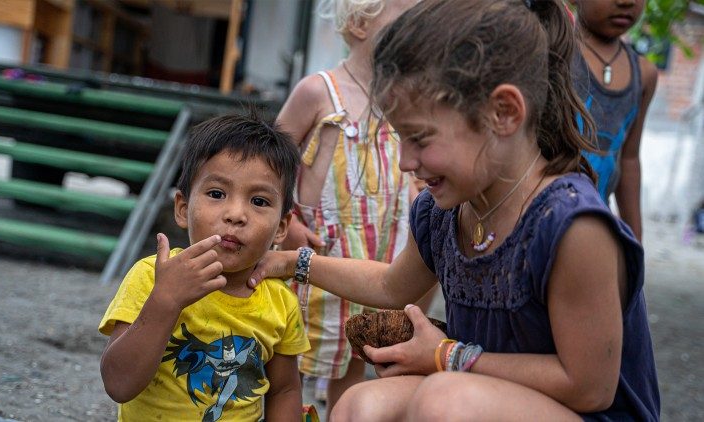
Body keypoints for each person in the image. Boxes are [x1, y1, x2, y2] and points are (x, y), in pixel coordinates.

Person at [249, 0, 660, 420]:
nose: (406, 161)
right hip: (484, 390)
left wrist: (449, 356)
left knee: (445, 400)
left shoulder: (570, 226)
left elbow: (590, 388)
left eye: (421, 139)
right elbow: (392, 285)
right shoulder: (448, 211)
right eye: (399, 139)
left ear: (503, 113)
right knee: (360, 404)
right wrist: (292, 263)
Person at [98, 112, 310, 422]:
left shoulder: (281, 303)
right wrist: (166, 300)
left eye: (259, 201)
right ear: (183, 209)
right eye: (216, 194)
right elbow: (118, 384)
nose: (236, 214)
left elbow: (285, 391)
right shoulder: (152, 276)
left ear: (282, 227)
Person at [275, 0, 421, 414]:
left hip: (376, 265)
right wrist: (285, 223)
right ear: (359, 23)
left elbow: (407, 173)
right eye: (404, 21)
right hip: (317, 259)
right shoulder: (318, 91)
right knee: (291, 362)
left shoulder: (402, 99)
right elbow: (269, 163)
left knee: (356, 363)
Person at [571, 0, 658, 240]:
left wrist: (635, 240)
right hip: (538, 222)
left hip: (596, 229)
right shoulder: (554, 54)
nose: (626, 2)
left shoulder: (644, 74)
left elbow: (628, 158)